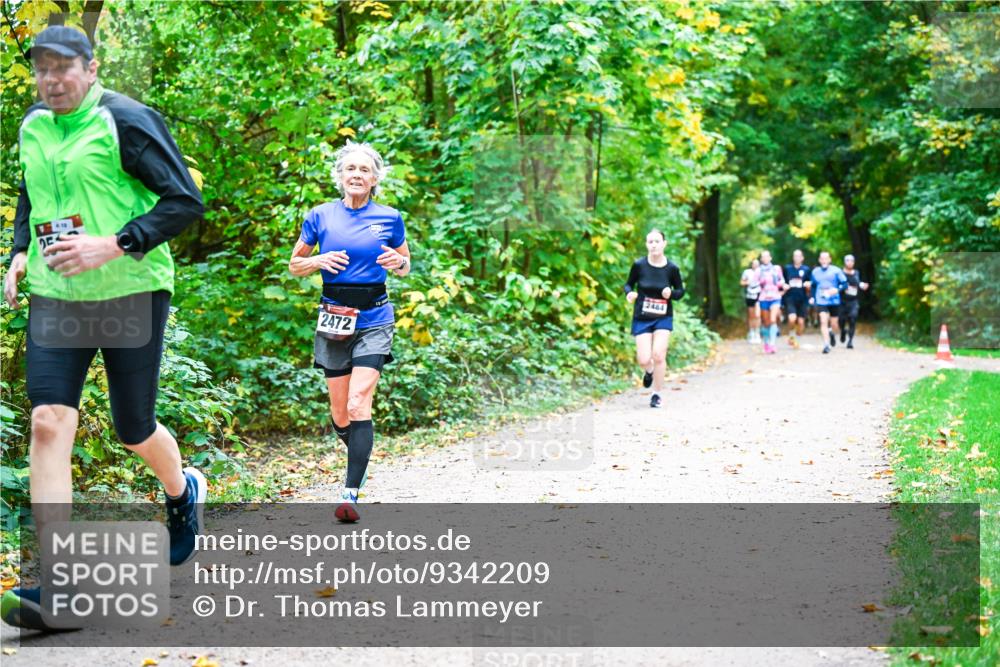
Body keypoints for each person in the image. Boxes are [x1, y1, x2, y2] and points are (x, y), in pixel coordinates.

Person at [1, 26, 206, 630]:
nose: (52, 79)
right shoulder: (33, 126)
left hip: (128, 289)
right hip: (57, 294)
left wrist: (113, 244)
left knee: (133, 428)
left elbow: (183, 202)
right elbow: (28, 194)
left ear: (91, 70)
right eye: (42, 69)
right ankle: (60, 585)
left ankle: (181, 489)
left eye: (64, 68)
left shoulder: (127, 120)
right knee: (47, 420)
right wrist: (18, 252)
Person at [289, 141, 410, 522]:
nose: (357, 175)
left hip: (375, 317)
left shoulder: (389, 217)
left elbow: (405, 264)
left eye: (364, 170)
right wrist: (318, 260)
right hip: (334, 319)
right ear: (340, 176)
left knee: (359, 403)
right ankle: (357, 443)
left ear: (375, 178)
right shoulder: (321, 216)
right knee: (341, 413)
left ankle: (350, 492)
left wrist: (399, 262)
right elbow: (295, 264)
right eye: (350, 169)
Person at [624, 229, 685, 409]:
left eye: (657, 241)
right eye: (650, 242)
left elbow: (680, 291)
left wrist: (671, 294)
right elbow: (628, 284)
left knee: (658, 354)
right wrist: (630, 293)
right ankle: (649, 371)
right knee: (644, 360)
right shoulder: (639, 265)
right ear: (646, 245)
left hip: (662, 317)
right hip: (642, 316)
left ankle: (656, 394)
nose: (654, 245)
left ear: (664, 244)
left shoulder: (672, 268)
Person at [809, 251, 848, 354]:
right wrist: (812, 297)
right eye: (822, 258)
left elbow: (845, 284)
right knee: (823, 321)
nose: (824, 260)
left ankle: (832, 333)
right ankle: (826, 345)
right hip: (821, 300)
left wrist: (837, 290)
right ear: (819, 260)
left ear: (830, 259)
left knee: (834, 324)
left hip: (834, 301)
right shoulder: (815, 272)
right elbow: (813, 286)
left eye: (826, 258)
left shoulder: (836, 271)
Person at [756, 250, 785, 354]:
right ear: (761, 259)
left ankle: (773, 344)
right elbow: (754, 283)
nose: (765, 258)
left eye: (767, 256)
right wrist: (760, 283)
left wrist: (780, 285)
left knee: (773, 320)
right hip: (763, 298)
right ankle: (766, 342)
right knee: (766, 322)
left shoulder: (776, 269)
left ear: (770, 258)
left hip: (775, 297)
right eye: (763, 257)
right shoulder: (758, 271)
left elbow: (782, 280)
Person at [838, 254, 869, 349]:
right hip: (842, 301)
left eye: (851, 261)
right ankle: (843, 331)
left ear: (854, 262)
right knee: (841, 320)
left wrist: (863, 285)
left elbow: (858, 282)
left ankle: (850, 341)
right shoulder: (840, 273)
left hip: (853, 301)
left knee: (853, 318)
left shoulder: (856, 273)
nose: (850, 263)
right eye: (848, 260)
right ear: (844, 262)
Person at [782, 249, 811, 348]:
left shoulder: (806, 269)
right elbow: (783, 281)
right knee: (792, 318)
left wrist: (808, 285)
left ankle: (797, 339)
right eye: (795, 256)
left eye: (799, 256)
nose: (797, 258)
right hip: (790, 298)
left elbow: (810, 282)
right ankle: (791, 334)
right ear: (793, 258)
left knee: (801, 322)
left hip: (802, 299)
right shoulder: (787, 269)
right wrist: (784, 285)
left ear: (802, 258)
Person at [740, 258, 762, 344]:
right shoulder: (747, 272)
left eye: (757, 264)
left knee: (758, 315)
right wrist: (747, 282)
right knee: (751, 315)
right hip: (750, 295)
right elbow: (741, 282)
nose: (755, 265)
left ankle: (757, 332)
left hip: (759, 295)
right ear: (751, 264)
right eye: (754, 264)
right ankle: (751, 331)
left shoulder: (761, 272)